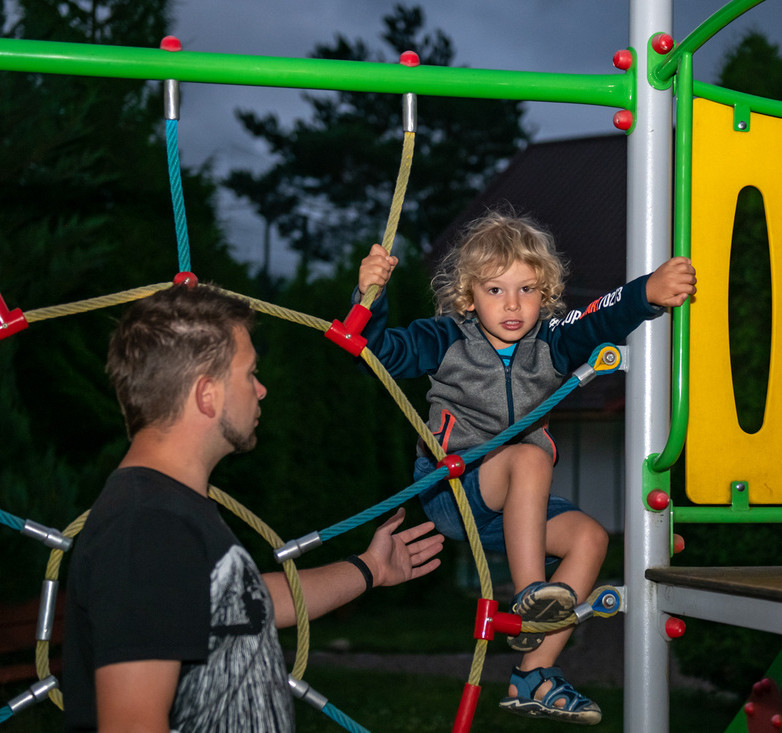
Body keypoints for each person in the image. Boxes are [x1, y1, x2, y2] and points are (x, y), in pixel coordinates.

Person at [356, 210, 696, 725]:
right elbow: (378, 352)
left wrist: (647, 290)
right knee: (531, 456)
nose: (512, 305)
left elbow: (601, 317)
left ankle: (534, 673)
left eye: (528, 290)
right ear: (469, 297)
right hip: (455, 486)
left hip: (516, 504)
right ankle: (531, 593)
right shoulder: (446, 338)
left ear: (547, 294)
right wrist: (370, 298)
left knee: (589, 538)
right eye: (495, 291)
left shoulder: (551, 344)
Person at [61, 284, 444, 733]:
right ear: (207, 394)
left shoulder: (167, 509)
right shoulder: (147, 526)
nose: (261, 390)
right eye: (249, 374)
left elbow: (244, 603)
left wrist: (370, 568)